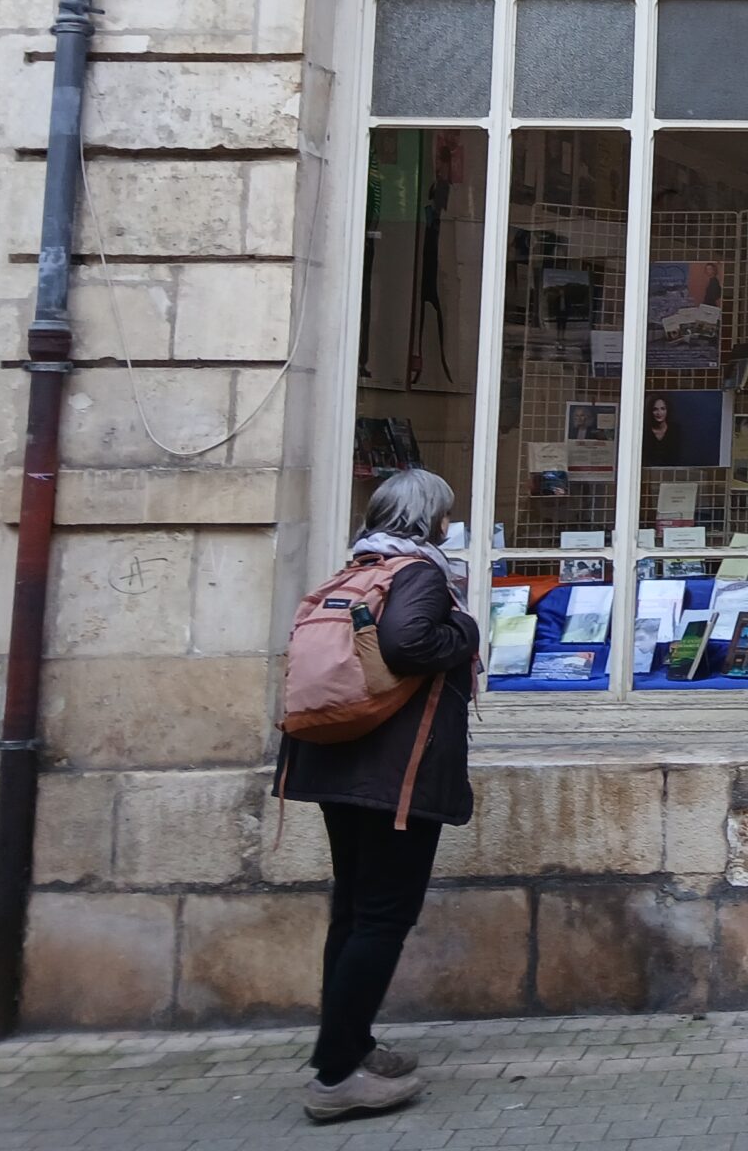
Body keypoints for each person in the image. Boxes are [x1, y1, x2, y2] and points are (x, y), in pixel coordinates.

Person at [276, 468, 478, 1123]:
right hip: (396, 774)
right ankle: (336, 1078)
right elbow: (411, 643)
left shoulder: (357, 569)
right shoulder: (419, 574)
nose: (449, 523)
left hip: (341, 763)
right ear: (432, 521)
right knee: (383, 917)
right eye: (445, 513)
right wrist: (469, 635)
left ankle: (350, 1046)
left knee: (354, 912)